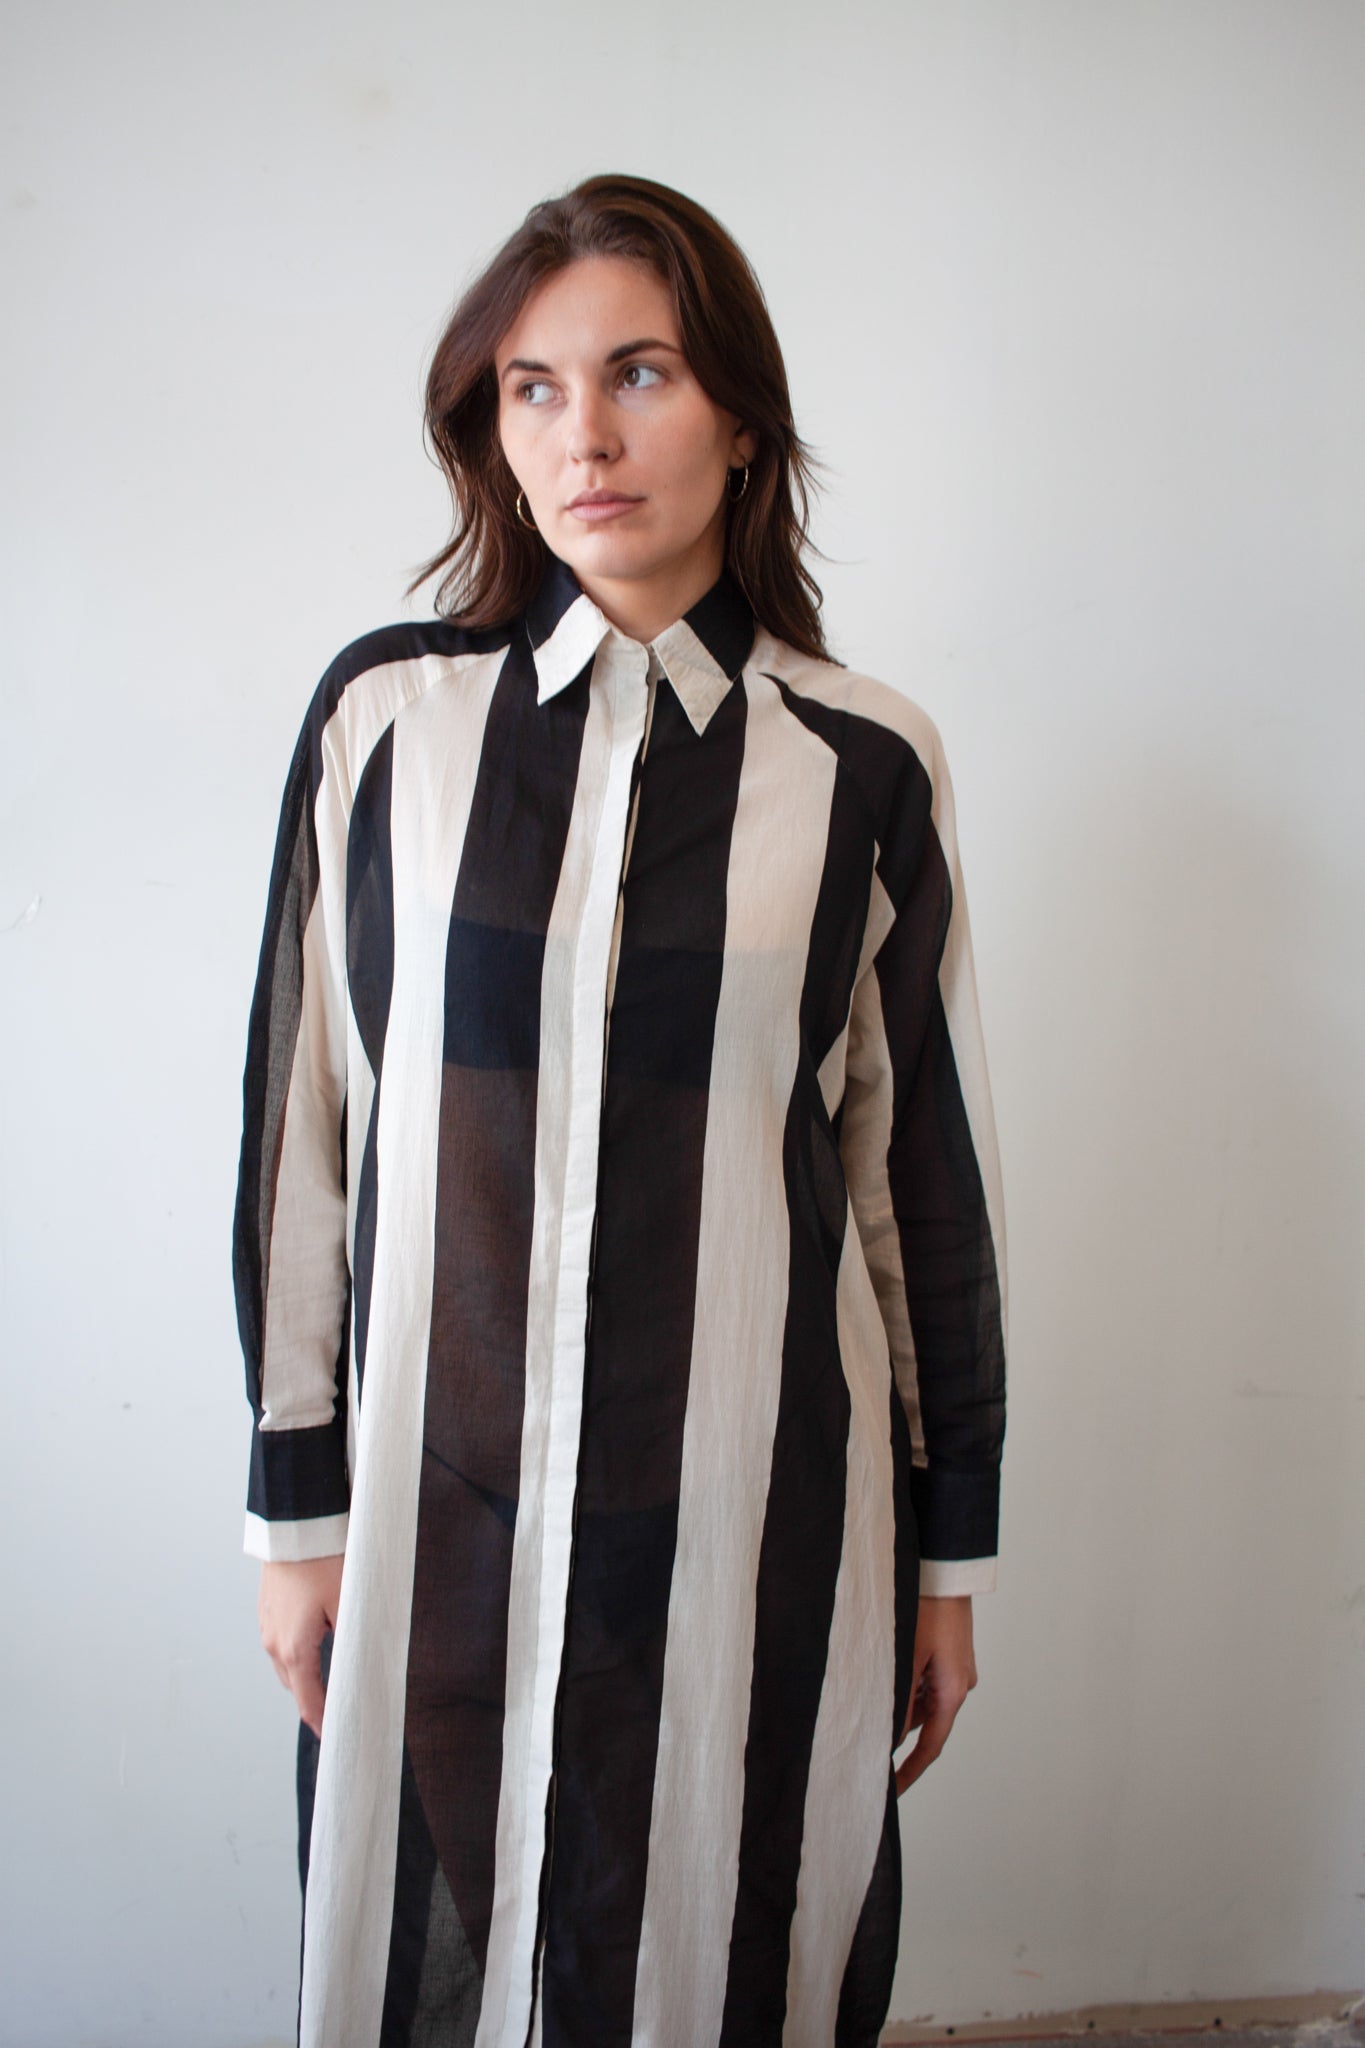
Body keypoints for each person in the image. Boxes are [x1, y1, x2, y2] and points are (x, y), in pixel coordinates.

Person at [235, 171, 1007, 2048]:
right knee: (431, 1951)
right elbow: (300, 1142)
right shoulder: (387, 730)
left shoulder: (862, 763)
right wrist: (296, 1516)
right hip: (441, 1506)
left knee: (729, 1944)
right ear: (490, 431)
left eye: (639, 373)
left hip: (757, 1498)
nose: (582, 434)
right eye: (533, 387)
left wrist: (947, 1553)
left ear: (739, 418)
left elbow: (915, 1183)